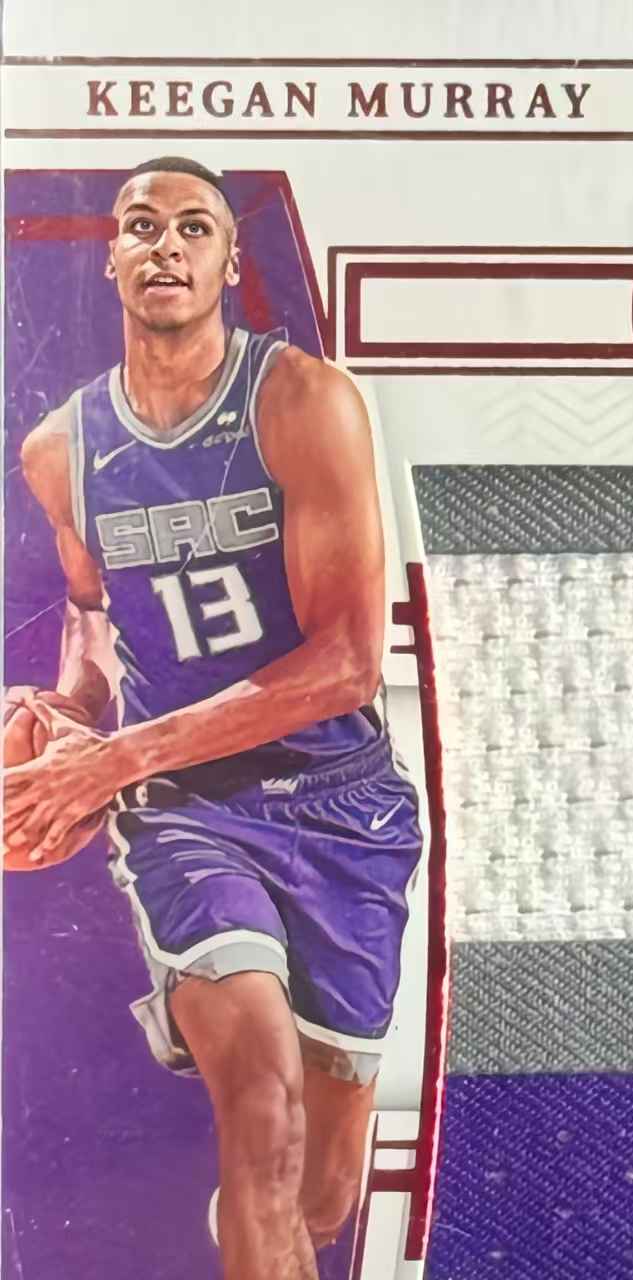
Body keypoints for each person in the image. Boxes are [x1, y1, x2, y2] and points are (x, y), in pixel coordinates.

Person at [2, 156, 422, 1280]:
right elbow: (95, 616)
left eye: (195, 227)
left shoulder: (304, 403)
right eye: (142, 225)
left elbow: (347, 663)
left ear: (231, 263)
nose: (166, 245)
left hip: (341, 805)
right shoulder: (62, 450)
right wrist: (69, 709)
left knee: (318, 1194)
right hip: (189, 814)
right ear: (112, 259)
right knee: (261, 1112)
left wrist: (110, 756)